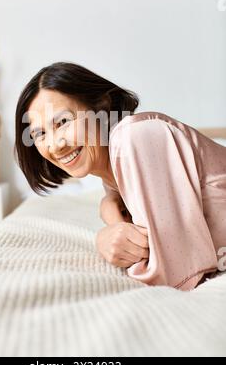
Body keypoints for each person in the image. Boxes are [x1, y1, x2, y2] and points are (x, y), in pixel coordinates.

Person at [14, 62, 226, 291]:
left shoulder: (133, 137)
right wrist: (109, 209)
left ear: (101, 107)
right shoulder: (111, 173)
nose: (55, 145)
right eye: (40, 134)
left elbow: (173, 269)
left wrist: (104, 238)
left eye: (63, 122)